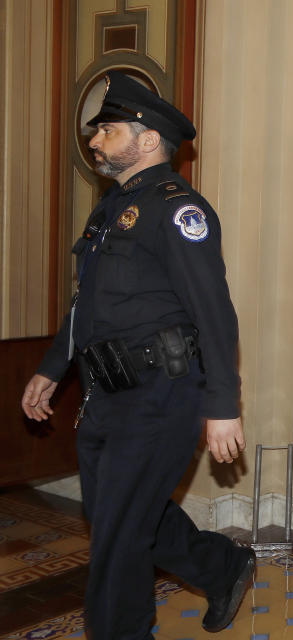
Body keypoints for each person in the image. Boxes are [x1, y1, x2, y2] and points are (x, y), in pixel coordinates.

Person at [20, 71, 254, 638]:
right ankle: (223, 566)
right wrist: (54, 367)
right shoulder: (109, 210)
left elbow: (215, 312)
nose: (95, 141)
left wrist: (223, 404)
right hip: (106, 395)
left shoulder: (179, 211)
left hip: (162, 395)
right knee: (120, 519)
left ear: (148, 139)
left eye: (108, 129)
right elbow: (87, 306)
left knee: (119, 541)